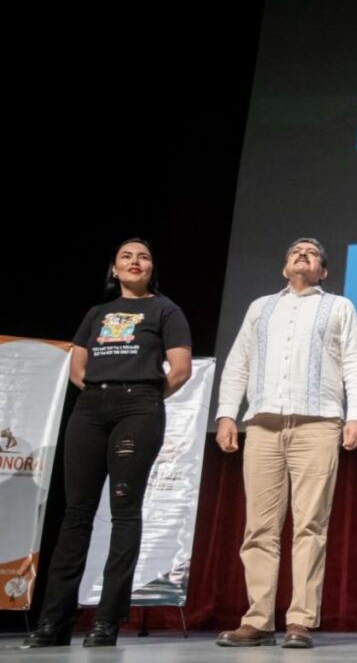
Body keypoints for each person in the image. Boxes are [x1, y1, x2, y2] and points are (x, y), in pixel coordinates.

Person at [23, 238, 192, 648]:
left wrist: (144, 397)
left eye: (144, 257)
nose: (135, 262)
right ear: (114, 269)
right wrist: (100, 394)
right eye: (126, 257)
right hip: (90, 408)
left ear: (152, 268)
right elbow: (78, 367)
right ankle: (54, 622)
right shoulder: (97, 313)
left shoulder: (165, 310)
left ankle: (106, 622)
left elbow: (181, 368)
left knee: (124, 512)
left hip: (139, 409)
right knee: (76, 514)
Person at [214, 237, 357, 649]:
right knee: (259, 527)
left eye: (313, 253)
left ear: (323, 271)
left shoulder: (339, 307)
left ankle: (300, 620)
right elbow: (238, 363)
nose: (303, 255)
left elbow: (356, 364)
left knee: (310, 526)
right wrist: (226, 413)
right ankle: (258, 619)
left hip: (318, 424)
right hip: (263, 424)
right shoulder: (260, 307)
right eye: (295, 252)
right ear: (285, 267)